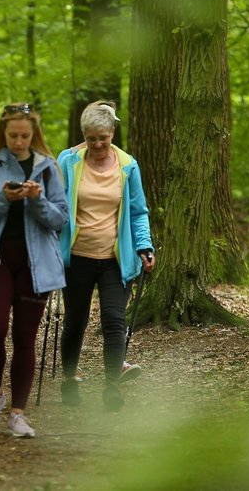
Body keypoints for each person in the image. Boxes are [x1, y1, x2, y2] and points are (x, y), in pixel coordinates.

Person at [0, 103, 67, 437]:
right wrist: (3, 200)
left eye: (25, 136)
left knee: (25, 337)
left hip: (35, 264)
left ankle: (18, 413)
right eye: (13, 136)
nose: (20, 142)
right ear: (3, 134)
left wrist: (36, 200)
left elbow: (60, 219)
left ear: (34, 134)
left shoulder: (48, 167)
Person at [57, 101, 155, 411]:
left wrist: (144, 246)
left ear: (113, 132)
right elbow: (56, 205)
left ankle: (112, 385)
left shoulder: (128, 165)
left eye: (103, 137)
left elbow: (138, 212)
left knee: (114, 319)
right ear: (83, 137)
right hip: (77, 256)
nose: (98, 144)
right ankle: (70, 378)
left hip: (116, 258)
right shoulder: (69, 162)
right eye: (91, 138)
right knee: (75, 321)